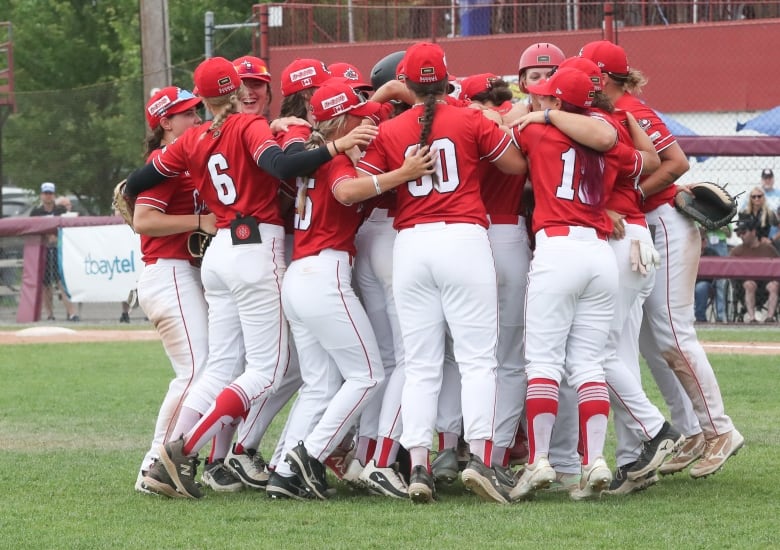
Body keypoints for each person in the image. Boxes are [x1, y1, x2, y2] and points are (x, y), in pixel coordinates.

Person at [127, 56, 377, 499]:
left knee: (221, 367)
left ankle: (163, 460)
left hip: (221, 246)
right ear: (236, 92)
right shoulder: (248, 125)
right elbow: (283, 168)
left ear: (201, 98)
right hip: (255, 244)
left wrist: (129, 191)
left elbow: (137, 182)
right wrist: (335, 149)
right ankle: (181, 452)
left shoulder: (195, 136)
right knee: (268, 369)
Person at [346, 42, 529, 504]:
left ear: (406, 83)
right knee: (477, 361)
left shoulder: (392, 128)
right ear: (445, 80)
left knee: (423, 365)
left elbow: (349, 191)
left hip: (411, 244)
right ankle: (483, 460)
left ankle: (421, 466)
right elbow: (514, 164)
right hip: (463, 240)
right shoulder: (468, 118)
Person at [581, 39, 743, 479]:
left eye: (590, 72)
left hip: (666, 222)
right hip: (648, 228)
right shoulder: (602, 112)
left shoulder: (633, 108)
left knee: (672, 334)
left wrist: (627, 194)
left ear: (605, 77)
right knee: (652, 343)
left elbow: (676, 163)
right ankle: (691, 430)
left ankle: (720, 430)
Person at [274, 79, 429, 501]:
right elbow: (345, 190)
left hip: (301, 274)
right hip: (324, 271)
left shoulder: (315, 148)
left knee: (321, 384)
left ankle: (284, 469)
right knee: (369, 374)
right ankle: (309, 456)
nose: (367, 126)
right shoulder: (336, 156)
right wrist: (402, 174)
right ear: (342, 121)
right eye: (358, 119)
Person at [130, 86, 219, 496]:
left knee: (206, 369)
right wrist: (199, 221)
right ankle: (155, 462)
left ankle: (174, 461)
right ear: (165, 122)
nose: (195, 118)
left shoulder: (188, 159)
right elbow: (143, 220)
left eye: (196, 110)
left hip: (183, 273)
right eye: (186, 113)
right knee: (196, 371)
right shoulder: (162, 164)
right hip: (168, 273)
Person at [29, 182, 79, 322]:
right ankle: (49, 314)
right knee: (46, 285)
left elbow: (69, 226)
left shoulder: (60, 210)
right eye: (45, 193)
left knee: (62, 282)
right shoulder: (36, 212)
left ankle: (71, 313)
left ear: (54, 195)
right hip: (44, 250)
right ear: (41, 195)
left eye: (50, 193)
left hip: (59, 250)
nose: (48, 196)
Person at [730, 218, 779, 323]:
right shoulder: (736, 251)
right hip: (743, 287)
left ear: (753, 232)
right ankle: (752, 318)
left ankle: (770, 318)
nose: (741, 236)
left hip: (765, 286)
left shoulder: (769, 249)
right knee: (749, 284)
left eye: (744, 232)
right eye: (739, 233)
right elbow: (729, 271)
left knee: (774, 285)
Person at [695, 225, 731, 322]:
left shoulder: (712, 253)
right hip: (691, 282)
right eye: (700, 239)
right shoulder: (690, 252)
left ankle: (703, 318)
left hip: (707, 284)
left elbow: (729, 233)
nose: (703, 241)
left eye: (704, 239)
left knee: (702, 287)